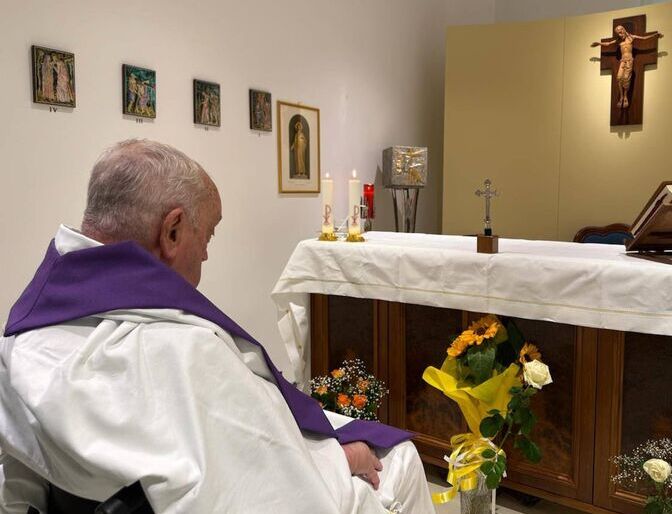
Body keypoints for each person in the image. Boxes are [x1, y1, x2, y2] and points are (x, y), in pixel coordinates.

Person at [0, 139, 434, 513]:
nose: (206, 256)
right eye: (207, 235)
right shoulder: (184, 350)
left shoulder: (27, 333)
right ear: (171, 232)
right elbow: (264, 483)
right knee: (401, 459)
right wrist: (341, 460)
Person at [591, 25, 663, 109]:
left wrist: (655, 35)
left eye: (621, 32)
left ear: (624, 30)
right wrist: (598, 44)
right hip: (622, 60)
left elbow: (644, 38)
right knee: (618, 78)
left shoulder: (631, 38)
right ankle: (621, 97)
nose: (620, 34)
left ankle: (625, 97)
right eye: (618, 33)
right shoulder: (618, 41)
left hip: (629, 60)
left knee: (626, 78)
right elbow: (608, 43)